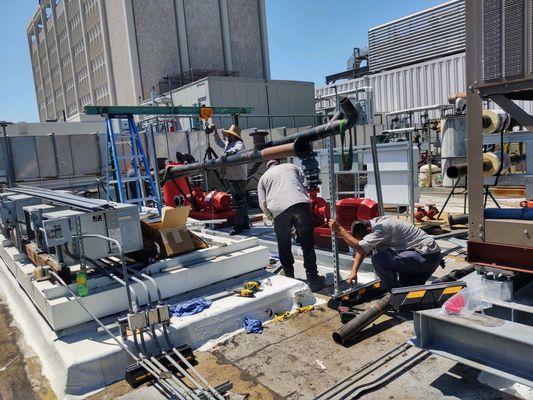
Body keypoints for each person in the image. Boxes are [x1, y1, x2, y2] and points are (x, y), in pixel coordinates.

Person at [258, 160, 326, 289]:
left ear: (268, 167)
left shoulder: (263, 178)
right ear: (279, 163)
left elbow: (262, 202)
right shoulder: (292, 167)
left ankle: (289, 276)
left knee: (284, 245)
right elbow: (305, 184)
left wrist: (270, 215)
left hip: (279, 210)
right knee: (307, 244)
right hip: (301, 204)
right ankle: (313, 278)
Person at [328, 217, 442, 290]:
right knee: (407, 287)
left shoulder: (381, 229)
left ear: (368, 230)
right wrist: (354, 271)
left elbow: (361, 248)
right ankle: (402, 292)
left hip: (426, 258)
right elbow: (362, 250)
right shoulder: (376, 225)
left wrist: (340, 230)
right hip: (428, 258)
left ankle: (394, 292)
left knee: (378, 259)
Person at [215, 124, 250, 235]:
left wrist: (227, 154)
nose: (228, 136)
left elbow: (236, 150)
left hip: (238, 177)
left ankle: (238, 225)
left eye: (230, 135)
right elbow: (219, 142)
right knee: (241, 201)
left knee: (238, 201)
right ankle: (245, 222)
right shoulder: (229, 143)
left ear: (234, 136)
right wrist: (215, 132)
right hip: (233, 176)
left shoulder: (239, 144)